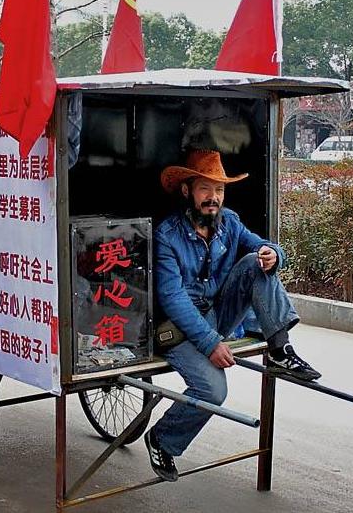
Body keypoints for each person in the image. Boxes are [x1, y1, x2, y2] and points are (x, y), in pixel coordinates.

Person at [145, 149, 321, 482]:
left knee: (256, 260)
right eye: (205, 189)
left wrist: (274, 254)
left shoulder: (230, 223)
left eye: (219, 191)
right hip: (179, 327)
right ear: (187, 191)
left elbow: (264, 245)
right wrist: (211, 342)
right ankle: (162, 439)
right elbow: (172, 298)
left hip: (219, 314)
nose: (214, 198)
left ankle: (281, 350)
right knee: (213, 393)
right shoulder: (167, 236)